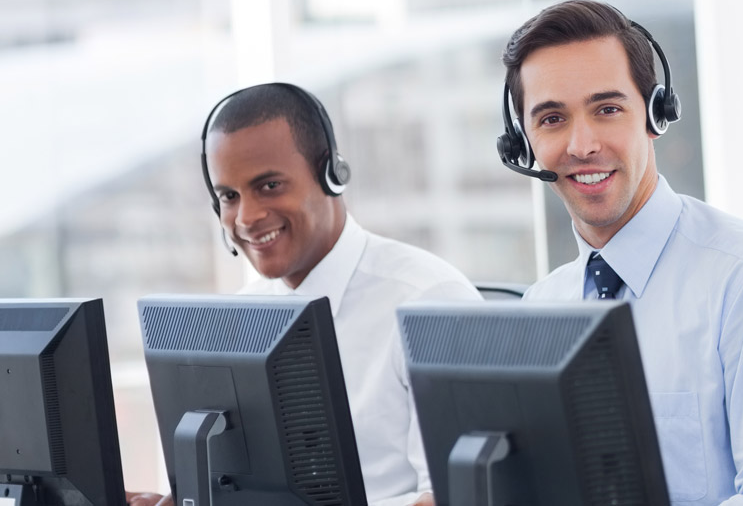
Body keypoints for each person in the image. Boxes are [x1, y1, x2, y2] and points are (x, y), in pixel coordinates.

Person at [501, 0, 743, 505]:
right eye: (552, 119)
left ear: (656, 115)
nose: (582, 144)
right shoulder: (542, 307)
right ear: (523, 144)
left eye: (607, 109)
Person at [126, 83, 482, 506]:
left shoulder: (429, 299)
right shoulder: (239, 320)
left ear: (332, 174)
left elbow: (456, 496)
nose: (247, 217)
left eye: (270, 185)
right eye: (228, 196)